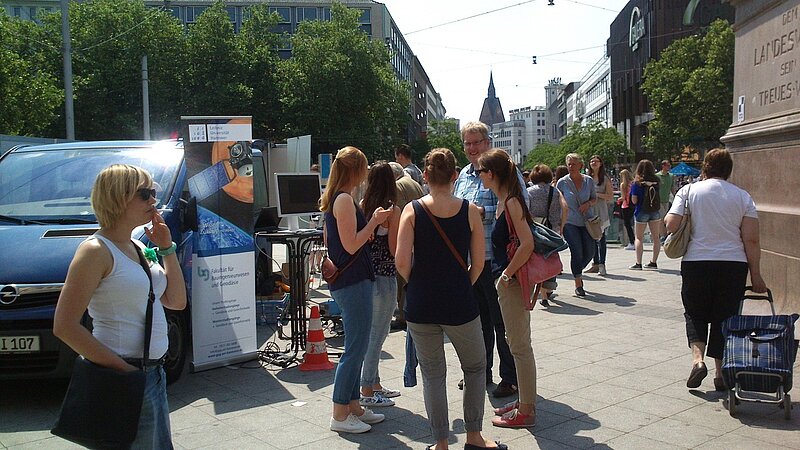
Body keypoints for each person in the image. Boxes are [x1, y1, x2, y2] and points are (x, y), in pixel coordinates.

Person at [53, 164, 187, 448]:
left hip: (153, 373)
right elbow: (64, 326)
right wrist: (124, 371)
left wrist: (167, 248)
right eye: (144, 194)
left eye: (153, 192)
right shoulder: (95, 251)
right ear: (118, 197)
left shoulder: (137, 246)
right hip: (123, 375)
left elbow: (176, 301)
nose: (153, 200)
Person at [396, 148, 507, 450]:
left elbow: (402, 262)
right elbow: (479, 263)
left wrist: (417, 283)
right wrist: (462, 284)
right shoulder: (469, 210)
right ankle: (474, 436)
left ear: (425, 175)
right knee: (475, 367)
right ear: (455, 175)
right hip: (460, 303)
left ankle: (441, 442)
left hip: (421, 304)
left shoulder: (412, 211)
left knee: (433, 374)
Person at [665, 148, 767, 391]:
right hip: (733, 264)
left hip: (697, 262)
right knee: (725, 317)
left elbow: (671, 224)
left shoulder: (688, 191)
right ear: (729, 170)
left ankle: (698, 361)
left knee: (695, 313)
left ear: (705, 168)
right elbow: (751, 239)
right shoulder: (743, 197)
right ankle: (720, 373)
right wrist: (756, 275)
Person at [321, 146, 393, 434]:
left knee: (357, 346)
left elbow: (341, 242)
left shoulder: (338, 198)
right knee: (354, 349)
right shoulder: (343, 200)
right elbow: (351, 245)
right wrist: (374, 221)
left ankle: (352, 406)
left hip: (351, 280)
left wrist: (368, 226)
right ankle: (340, 413)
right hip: (352, 281)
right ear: (356, 169)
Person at [453, 121, 517, 398]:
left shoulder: (504, 169)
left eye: (476, 142)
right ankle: (481, 372)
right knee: (478, 323)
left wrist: (481, 212)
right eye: (467, 143)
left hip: (497, 259)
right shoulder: (464, 175)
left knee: (502, 322)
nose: (472, 148)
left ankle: (510, 378)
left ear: (488, 142)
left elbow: (518, 206)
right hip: (470, 260)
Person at [477, 149, 537, 428]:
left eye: (481, 171)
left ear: (491, 174)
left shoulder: (512, 201)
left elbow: (527, 243)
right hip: (507, 280)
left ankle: (527, 411)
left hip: (511, 281)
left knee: (519, 346)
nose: (479, 176)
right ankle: (524, 401)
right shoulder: (506, 200)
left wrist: (506, 274)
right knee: (516, 343)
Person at [359, 161, 402, 407]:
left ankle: (374, 383)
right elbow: (395, 248)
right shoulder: (392, 210)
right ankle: (367, 388)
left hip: (365, 276)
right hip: (385, 276)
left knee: (372, 332)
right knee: (378, 334)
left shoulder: (363, 205)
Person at [555, 153, 597, 297]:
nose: (571, 166)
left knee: (590, 251)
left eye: (574, 164)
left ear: (580, 165)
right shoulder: (562, 182)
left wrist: (588, 204)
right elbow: (557, 202)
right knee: (576, 250)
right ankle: (578, 283)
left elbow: (594, 198)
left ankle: (577, 268)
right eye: (569, 164)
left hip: (587, 221)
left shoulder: (588, 181)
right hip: (569, 222)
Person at [389, 161, 424, 331]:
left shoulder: (397, 186)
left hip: (406, 236)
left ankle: (403, 316)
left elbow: (400, 212)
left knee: (402, 278)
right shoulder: (414, 183)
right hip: (419, 234)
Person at [527, 164, 563, 306]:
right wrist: (558, 230)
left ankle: (539, 292)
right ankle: (547, 289)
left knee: (535, 259)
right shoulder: (554, 192)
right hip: (549, 230)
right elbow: (556, 214)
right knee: (549, 259)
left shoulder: (529, 192)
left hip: (534, 230)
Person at [629, 159, 661, 270]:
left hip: (641, 211)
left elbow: (634, 201)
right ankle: (654, 262)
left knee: (639, 237)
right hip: (655, 211)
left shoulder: (637, 183)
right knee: (656, 237)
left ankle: (638, 263)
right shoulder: (657, 181)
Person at [585, 155, 614, 276]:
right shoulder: (586, 178)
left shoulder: (605, 179)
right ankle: (595, 263)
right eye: (592, 161)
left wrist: (597, 194)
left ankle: (602, 264)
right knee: (591, 238)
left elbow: (610, 196)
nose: (593, 163)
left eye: (596, 161)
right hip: (589, 211)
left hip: (601, 211)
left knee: (601, 238)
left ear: (600, 163)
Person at [655, 160, 676, 242]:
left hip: (666, 200)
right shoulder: (657, 176)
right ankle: (663, 235)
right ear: (663, 166)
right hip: (658, 200)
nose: (669, 167)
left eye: (669, 165)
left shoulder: (671, 176)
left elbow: (672, 188)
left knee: (665, 217)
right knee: (662, 217)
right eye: (667, 165)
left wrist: (675, 197)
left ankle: (663, 234)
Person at [618, 169, 636, 250]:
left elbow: (623, 197)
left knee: (627, 224)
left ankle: (632, 242)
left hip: (626, 205)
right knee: (633, 224)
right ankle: (635, 241)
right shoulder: (633, 183)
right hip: (633, 205)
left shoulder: (623, 185)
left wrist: (619, 199)